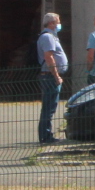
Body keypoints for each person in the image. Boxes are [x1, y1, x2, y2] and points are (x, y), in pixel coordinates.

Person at [36, 12, 68, 143]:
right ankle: (45, 136)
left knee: (50, 106)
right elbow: (49, 57)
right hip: (50, 76)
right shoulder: (48, 37)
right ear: (51, 23)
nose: (59, 24)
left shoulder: (52, 37)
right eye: (58, 21)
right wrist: (56, 76)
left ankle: (46, 134)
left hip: (51, 76)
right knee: (49, 107)